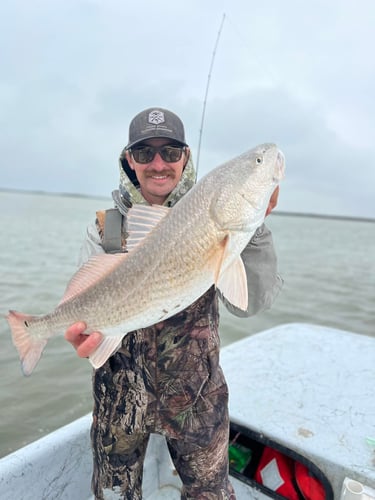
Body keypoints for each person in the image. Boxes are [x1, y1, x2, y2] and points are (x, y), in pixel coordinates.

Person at [65, 107, 282, 500]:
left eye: (171, 152)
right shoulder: (106, 227)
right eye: (145, 153)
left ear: (186, 157)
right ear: (129, 159)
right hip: (120, 401)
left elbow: (250, 305)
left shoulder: (217, 213)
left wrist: (256, 227)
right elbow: (83, 307)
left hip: (197, 399)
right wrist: (82, 335)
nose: (159, 164)